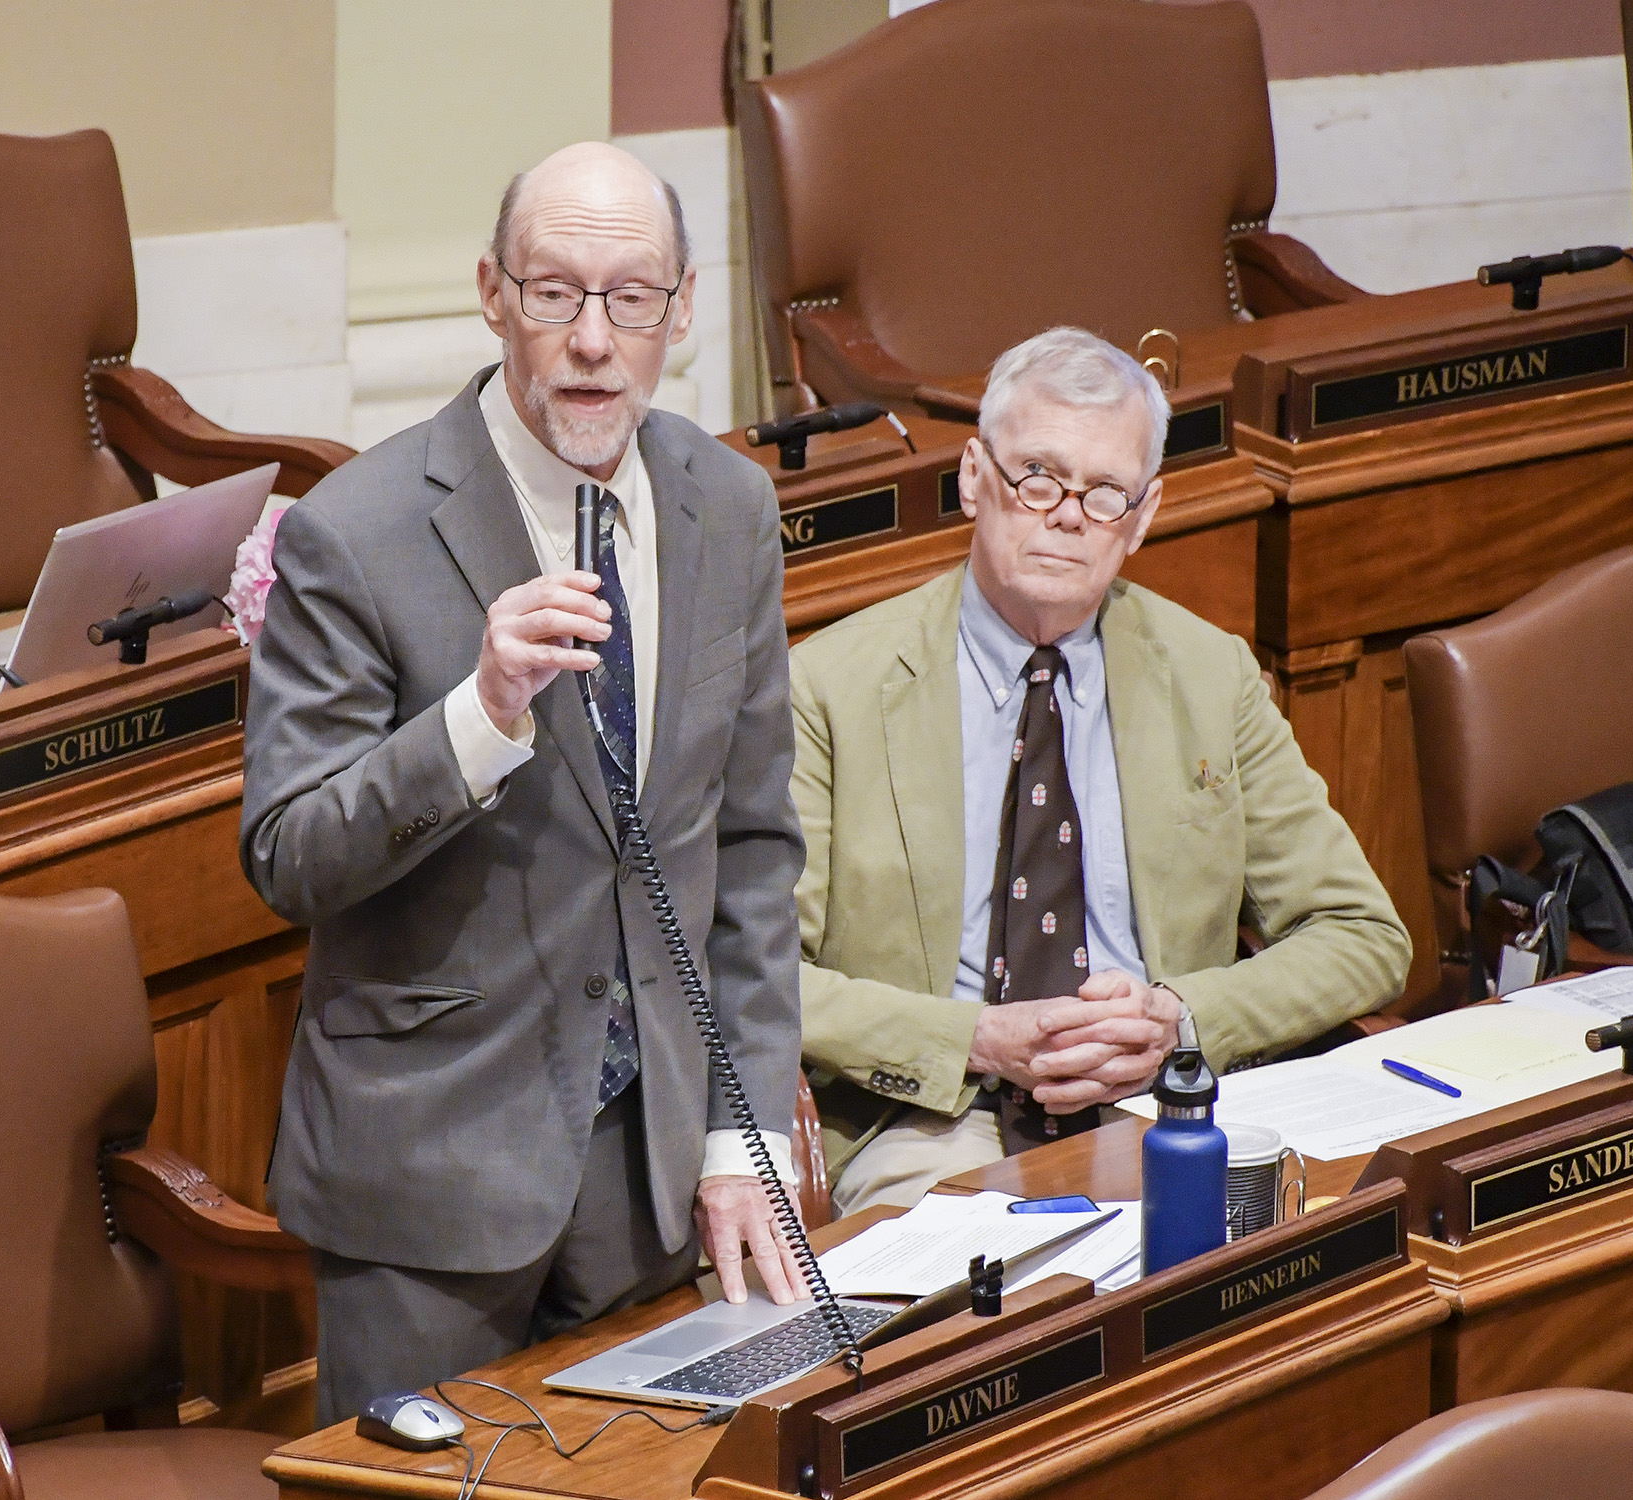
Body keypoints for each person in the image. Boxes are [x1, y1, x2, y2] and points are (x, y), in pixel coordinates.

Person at [240, 142, 805, 1423]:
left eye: (633, 298)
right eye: (555, 294)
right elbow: (287, 854)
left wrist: (741, 1135)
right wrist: (480, 718)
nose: (595, 340)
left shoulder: (731, 506)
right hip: (430, 1177)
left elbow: (757, 850)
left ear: (683, 306)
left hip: (656, 1175)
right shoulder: (358, 529)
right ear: (493, 294)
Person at [792, 326, 1411, 1214]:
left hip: (1168, 1103)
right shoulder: (829, 687)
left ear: (1145, 515)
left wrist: (1178, 1019)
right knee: (993, 1316)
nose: (1068, 515)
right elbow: (767, 980)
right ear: (974, 478)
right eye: (1037, 477)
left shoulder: (1208, 672)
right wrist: (976, 1038)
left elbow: (1365, 936)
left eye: (1106, 493)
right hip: (935, 1116)